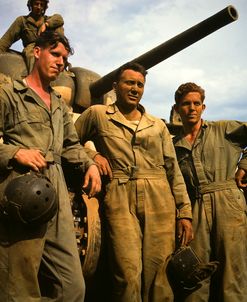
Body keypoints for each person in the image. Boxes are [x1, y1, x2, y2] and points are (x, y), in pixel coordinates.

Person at [74, 62, 193, 302]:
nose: (135, 88)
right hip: (120, 195)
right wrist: (92, 155)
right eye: (129, 83)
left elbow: (173, 170)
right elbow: (68, 142)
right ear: (116, 86)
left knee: (160, 275)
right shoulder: (97, 114)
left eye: (140, 84)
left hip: (160, 198)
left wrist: (184, 212)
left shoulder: (157, 124)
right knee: (126, 274)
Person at [0, 30, 101, 301]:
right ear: (37, 52)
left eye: (64, 58)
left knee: (72, 287)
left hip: (56, 190)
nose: (59, 62)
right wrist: (15, 152)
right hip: (22, 188)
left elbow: (70, 145)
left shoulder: (58, 104)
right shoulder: (10, 94)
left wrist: (89, 164)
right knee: (19, 288)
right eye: (54, 54)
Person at [172, 82, 247, 302]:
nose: (192, 108)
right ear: (177, 108)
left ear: (203, 107)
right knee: (196, 272)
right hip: (195, 206)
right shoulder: (174, 146)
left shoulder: (223, 129)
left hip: (228, 202)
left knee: (232, 272)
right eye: (186, 104)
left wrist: (244, 166)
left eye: (197, 103)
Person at [0, 0, 64, 72]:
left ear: (44, 7)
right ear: (31, 5)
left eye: (41, 4)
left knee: (58, 27)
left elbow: (59, 18)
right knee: (33, 56)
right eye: (36, 4)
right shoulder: (22, 20)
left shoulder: (47, 19)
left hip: (48, 46)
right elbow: (5, 40)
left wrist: (46, 24)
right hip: (31, 48)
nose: (39, 7)